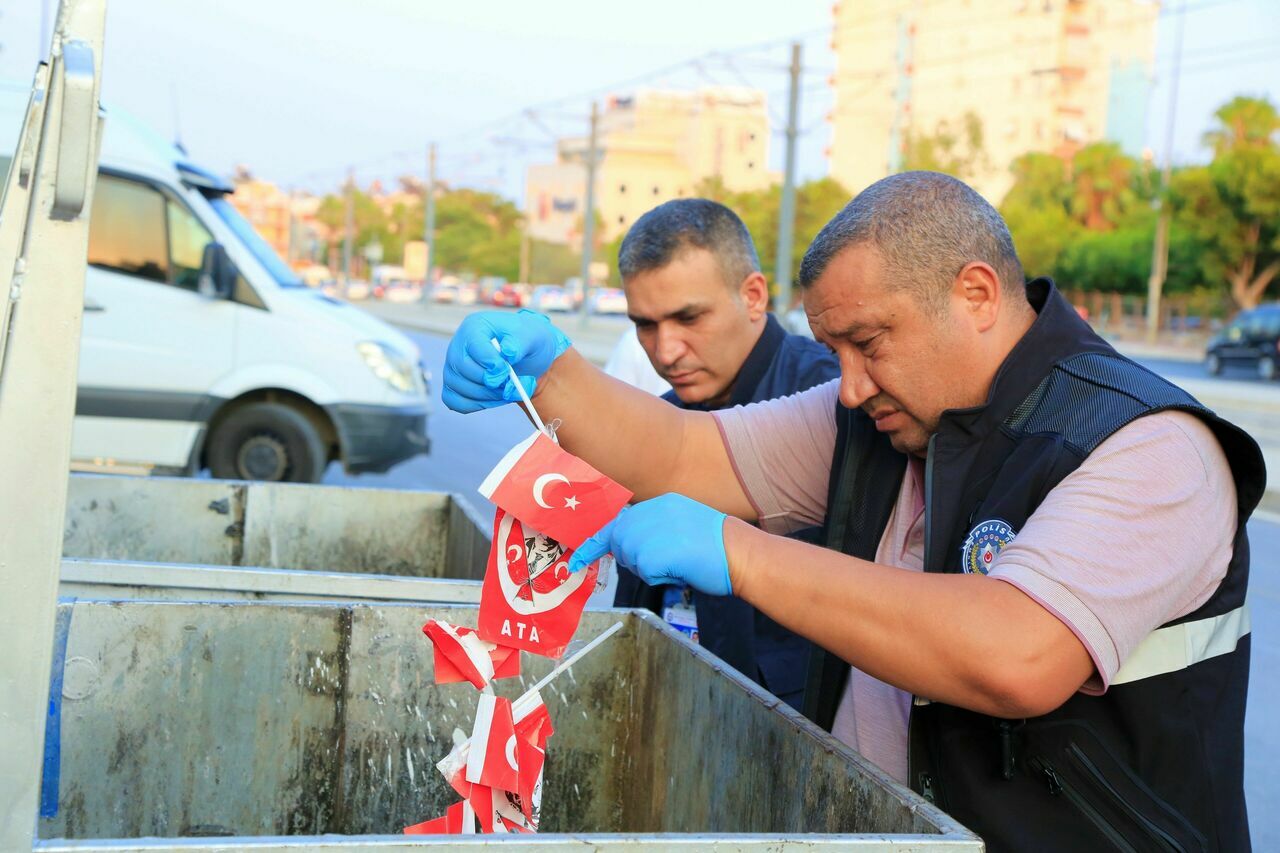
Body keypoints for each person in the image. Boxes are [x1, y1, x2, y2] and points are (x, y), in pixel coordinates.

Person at [442, 172, 1264, 851]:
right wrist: (550, 373)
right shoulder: (879, 420)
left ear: (976, 293)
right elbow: (682, 454)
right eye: (834, 351)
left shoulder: (1146, 444)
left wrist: (738, 552)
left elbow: (1016, 652)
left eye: (870, 342)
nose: (850, 384)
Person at [609, 198, 840, 710]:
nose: (666, 351)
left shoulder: (838, 399)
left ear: (753, 296)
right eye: (645, 325)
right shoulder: (663, 418)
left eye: (688, 317)